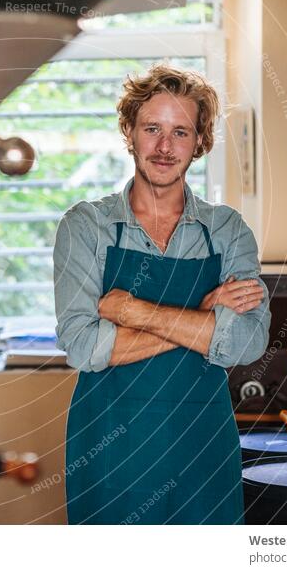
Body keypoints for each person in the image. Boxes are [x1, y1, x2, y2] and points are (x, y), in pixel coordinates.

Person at [53, 64, 271, 525]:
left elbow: (246, 344)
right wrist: (204, 319)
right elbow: (84, 346)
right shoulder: (86, 227)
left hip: (202, 446)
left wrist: (130, 311)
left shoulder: (227, 231)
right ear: (129, 133)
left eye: (181, 132)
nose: (165, 147)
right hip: (110, 446)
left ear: (200, 142)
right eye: (152, 128)